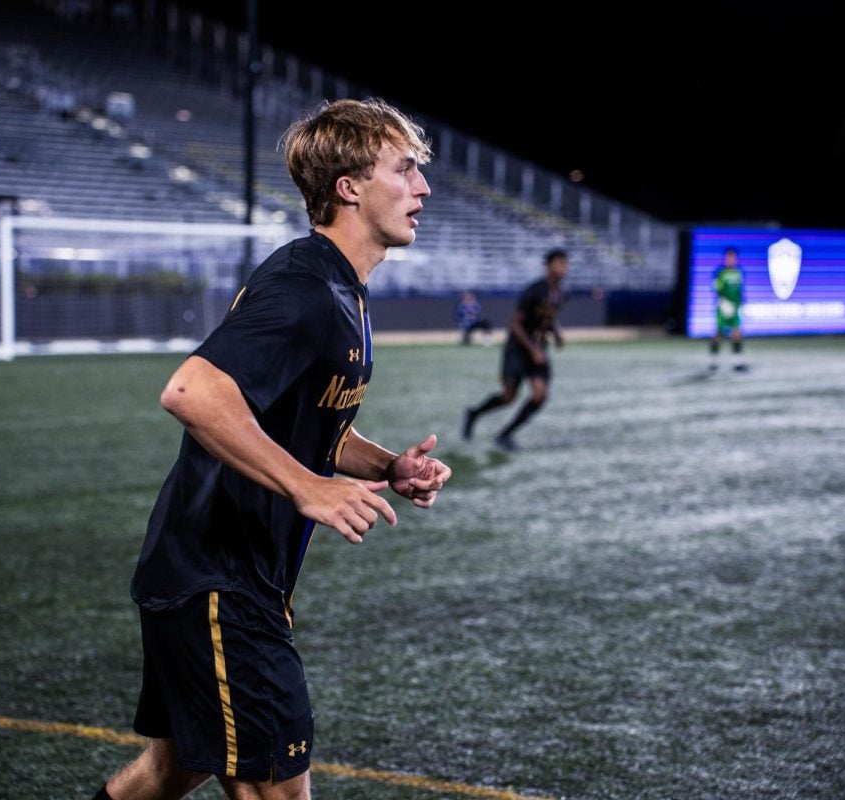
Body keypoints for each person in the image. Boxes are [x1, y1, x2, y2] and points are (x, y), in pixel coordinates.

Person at [93, 98, 451, 800]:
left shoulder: (341, 288)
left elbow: (305, 425)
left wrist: (387, 467)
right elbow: (192, 393)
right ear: (349, 187)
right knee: (275, 788)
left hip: (221, 575)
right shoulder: (305, 288)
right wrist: (305, 487)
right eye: (405, 169)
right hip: (218, 581)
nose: (423, 188)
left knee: (173, 770)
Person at [461, 249, 568, 451]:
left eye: (566, 264)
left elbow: (550, 317)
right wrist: (533, 350)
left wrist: (557, 334)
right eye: (560, 263)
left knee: (540, 395)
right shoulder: (535, 290)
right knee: (509, 396)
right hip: (518, 348)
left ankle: (505, 435)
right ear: (549, 266)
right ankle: (474, 413)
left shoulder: (561, 294)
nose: (564, 268)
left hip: (538, 347)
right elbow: (515, 324)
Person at [709, 246, 747, 372]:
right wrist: (724, 303)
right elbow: (716, 289)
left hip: (735, 308)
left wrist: (741, 302)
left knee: (737, 334)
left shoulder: (739, 272)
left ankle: (737, 363)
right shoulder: (720, 273)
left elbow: (739, 290)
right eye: (729, 258)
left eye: (733, 258)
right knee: (718, 333)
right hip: (723, 307)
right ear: (725, 259)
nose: (731, 260)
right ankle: (713, 362)